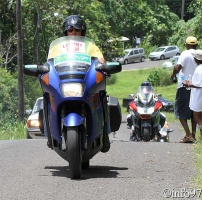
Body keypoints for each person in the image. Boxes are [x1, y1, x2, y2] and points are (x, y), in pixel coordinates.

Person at [62, 15, 110, 152]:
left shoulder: (90, 46)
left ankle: (105, 135)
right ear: (65, 32)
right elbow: (50, 62)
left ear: (82, 32)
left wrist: (103, 66)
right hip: (64, 82)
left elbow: (100, 60)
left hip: (85, 82)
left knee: (102, 98)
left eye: (77, 30)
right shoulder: (58, 48)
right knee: (47, 98)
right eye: (70, 30)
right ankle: (50, 133)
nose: (73, 33)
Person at [171, 36, 198, 143]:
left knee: (181, 111)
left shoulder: (185, 53)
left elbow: (178, 67)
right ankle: (194, 135)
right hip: (196, 87)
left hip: (185, 87)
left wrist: (173, 74)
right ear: (196, 45)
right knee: (194, 112)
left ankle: (188, 135)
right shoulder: (199, 54)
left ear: (186, 45)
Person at [183, 49, 202, 138]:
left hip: (198, 96)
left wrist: (188, 84)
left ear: (197, 59)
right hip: (198, 95)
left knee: (196, 118)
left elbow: (199, 84)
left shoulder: (199, 69)